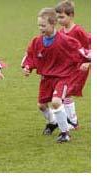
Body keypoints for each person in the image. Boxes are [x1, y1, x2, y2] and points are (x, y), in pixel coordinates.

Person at [21, 8, 90, 143]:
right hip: (46, 78)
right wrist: (27, 67)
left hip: (62, 77)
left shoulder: (65, 40)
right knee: (41, 105)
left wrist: (87, 61)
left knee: (56, 102)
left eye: (43, 25)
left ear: (53, 24)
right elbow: (30, 56)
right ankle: (53, 122)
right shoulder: (37, 41)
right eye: (39, 25)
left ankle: (65, 133)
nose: (40, 28)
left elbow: (81, 51)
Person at [42, 0, 91, 135]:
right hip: (66, 68)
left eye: (62, 17)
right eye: (57, 17)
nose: (59, 19)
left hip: (79, 67)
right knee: (65, 94)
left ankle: (72, 121)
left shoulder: (78, 30)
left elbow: (90, 45)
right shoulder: (61, 32)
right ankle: (71, 121)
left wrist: (88, 62)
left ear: (71, 15)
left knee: (66, 93)